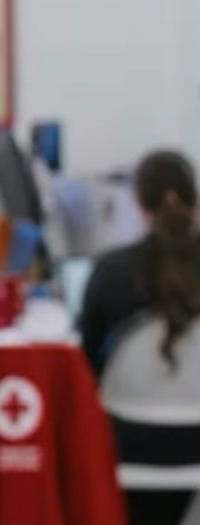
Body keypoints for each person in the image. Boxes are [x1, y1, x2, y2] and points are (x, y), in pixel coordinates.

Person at [79, 150, 200, 376]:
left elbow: (87, 360)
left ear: (140, 204)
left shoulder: (109, 271)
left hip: (124, 408)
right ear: (195, 201)